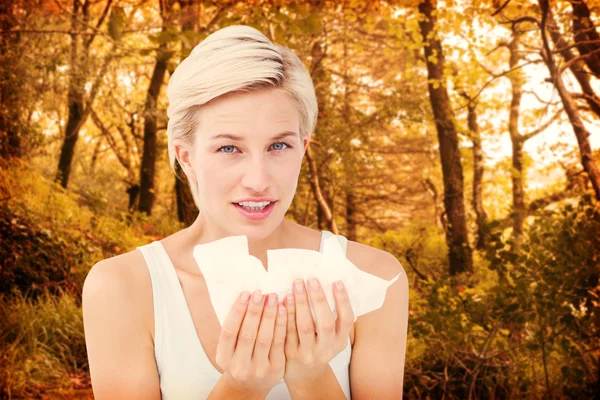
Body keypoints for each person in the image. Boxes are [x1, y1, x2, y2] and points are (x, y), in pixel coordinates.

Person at [82, 25, 409, 399]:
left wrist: (311, 377)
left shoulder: (375, 279)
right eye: (228, 149)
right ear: (185, 156)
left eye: (279, 146)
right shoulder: (122, 288)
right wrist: (242, 387)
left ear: (303, 148)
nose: (258, 180)